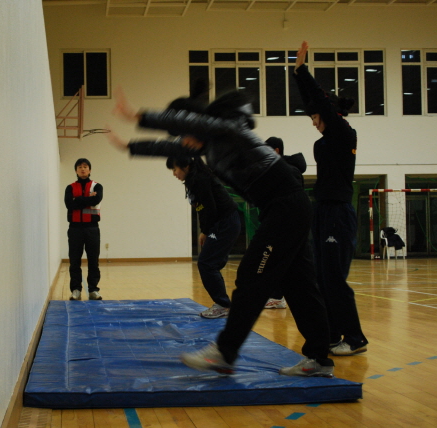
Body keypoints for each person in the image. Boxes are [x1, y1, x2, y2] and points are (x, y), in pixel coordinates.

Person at [111, 87, 335, 377]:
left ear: (195, 123)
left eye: (184, 131)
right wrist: (129, 147)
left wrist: (139, 116)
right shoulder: (207, 147)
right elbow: (167, 148)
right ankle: (319, 359)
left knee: (252, 278)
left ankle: (225, 353)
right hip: (284, 210)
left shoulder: (228, 130)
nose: (184, 141)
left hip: (286, 208)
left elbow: (192, 124)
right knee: (299, 284)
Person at [109, 128, 241, 318]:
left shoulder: (200, 179)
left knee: (206, 264)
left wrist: (206, 231)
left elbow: (210, 209)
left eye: (175, 169)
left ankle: (223, 305)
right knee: (210, 263)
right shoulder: (194, 179)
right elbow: (203, 208)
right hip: (222, 222)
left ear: (185, 165)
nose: (174, 173)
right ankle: (224, 300)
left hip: (225, 222)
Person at [294, 41, 368, 356]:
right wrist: (297, 78)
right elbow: (316, 104)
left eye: (316, 117)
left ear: (330, 115)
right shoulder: (324, 140)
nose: (313, 121)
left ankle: (355, 338)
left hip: (338, 212)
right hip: (323, 210)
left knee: (335, 279)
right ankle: (333, 334)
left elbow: (321, 102)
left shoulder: (344, 133)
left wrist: (301, 72)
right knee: (321, 278)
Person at [262, 136, 307, 310]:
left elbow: (293, 201)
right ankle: (278, 295)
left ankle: (279, 297)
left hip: (290, 226)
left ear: (276, 151)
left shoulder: (289, 171)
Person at [64, 158, 103, 301]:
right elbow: (70, 205)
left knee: (93, 260)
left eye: (85, 166)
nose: (82, 169)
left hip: (92, 228)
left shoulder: (97, 186)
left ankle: (93, 290)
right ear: (76, 170)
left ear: (90, 170)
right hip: (75, 228)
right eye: (80, 167)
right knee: (74, 260)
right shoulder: (70, 188)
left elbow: (96, 200)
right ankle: (76, 290)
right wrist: (87, 199)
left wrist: (78, 199)